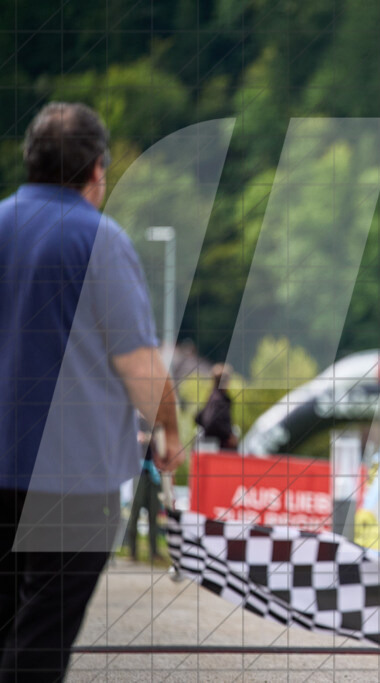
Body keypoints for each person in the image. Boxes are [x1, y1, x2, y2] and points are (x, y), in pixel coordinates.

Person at [0, 102, 184, 681]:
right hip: (72, 479)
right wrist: (170, 431)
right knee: (43, 632)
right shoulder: (97, 240)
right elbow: (139, 367)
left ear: (30, 159)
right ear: (97, 169)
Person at [122, 423, 165, 563]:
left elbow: (162, 444)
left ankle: (154, 553)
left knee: (154, 514)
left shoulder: (158, 424)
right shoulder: (136, 420)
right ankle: (132, 552)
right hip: (138, 472)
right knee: (135, 513)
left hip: (154, 474)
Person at [195, 363, 238, 450]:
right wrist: (228, 435)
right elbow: (212, 422)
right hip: (220, 449)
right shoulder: (219, 400)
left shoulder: (212, 397)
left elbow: (198, 417)